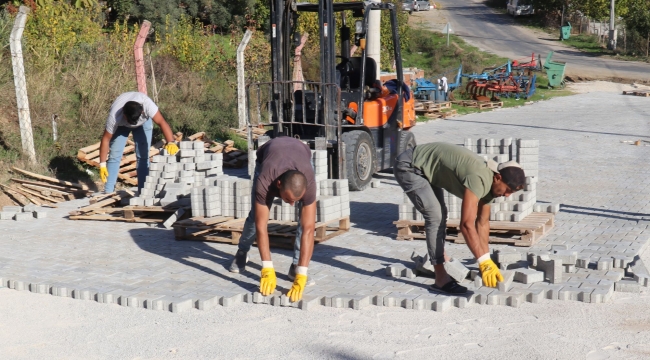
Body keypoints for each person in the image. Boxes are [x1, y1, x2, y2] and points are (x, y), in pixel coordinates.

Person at [394, 142, 526, 294]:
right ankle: (441, 279)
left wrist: (486, 259)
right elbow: (466, 225)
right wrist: (482, 261)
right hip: (410, 166)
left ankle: (438, 255)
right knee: (435, 216)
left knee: (441, 213)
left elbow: (482, 223)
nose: (507, 195)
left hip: (426, 166)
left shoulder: (493, 187)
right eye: (508, 190)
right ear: (498, 177)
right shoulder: (479, 178)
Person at [229, 137, 317, 303]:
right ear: (278, 185)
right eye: (288, 199)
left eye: (296, 201)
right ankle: (242, 252)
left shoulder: (309, 184)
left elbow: (309, 229)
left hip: (301, 154)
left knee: (303, 223)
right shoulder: (265, 180)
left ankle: (295, 268)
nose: (292, 205)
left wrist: (303, 274)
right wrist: (267, 268)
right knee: (256, 217)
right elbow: (262, 226)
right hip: (268, 157)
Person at [98, 92, 179, 193]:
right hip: (121, 127)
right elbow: (106, 139)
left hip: (143, 125)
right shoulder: (115, 116)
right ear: (124, 114)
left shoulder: (147, 104)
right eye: (130, 120)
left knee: (143, 156)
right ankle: (108, 192)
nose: (132, 124)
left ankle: (143, 192)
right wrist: (102, 164)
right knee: (114, 156)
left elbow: (161, 122)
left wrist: (171, 142)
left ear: (141, 112)